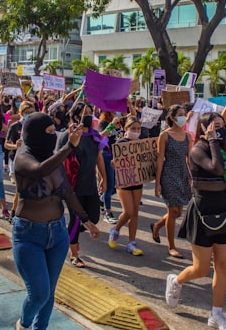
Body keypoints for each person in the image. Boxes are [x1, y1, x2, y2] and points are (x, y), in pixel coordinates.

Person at [12, 113, 99, 330]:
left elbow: (68, 193)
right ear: (33, 134)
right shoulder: (23, 158)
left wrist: (85, 220)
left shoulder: (55, 160)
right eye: (48, 133)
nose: (52, 136)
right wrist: (69, 146)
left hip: (57, 234)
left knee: (50, 291)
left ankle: (41, 327)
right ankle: (23, 325)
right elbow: (39, 171)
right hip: (28, 235)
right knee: (39, 293)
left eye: (54, 132)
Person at [165, 112, 226, 330]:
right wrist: (214, 141)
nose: (219, 130)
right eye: (214, 126)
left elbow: (225, 172)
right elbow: (216, 168)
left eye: (221, 126)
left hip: (223, 208)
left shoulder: (223, 148)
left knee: (223, 264)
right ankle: (176, 281)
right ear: (204, 128)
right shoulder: (197, 149)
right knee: (201, 268)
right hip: (202, 210)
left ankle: (217, 313)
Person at [57, 102, 107, 268]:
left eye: (90, 112)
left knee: (93, 217)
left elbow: (99, 157)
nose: (88, 115)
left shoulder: (95, 136)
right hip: (73, 185)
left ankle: (66, 236)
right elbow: (59, 157)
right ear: (76, 116)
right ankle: (74, 253)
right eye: (85, 112)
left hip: (90, 184)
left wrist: (103, 178)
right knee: (77, 219)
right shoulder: (68, 135)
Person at [152, 104, 192, 259]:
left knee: (179, 212)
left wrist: (191, 175)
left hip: (182, 174)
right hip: (169, 174)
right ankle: (171, 246)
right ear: (173, 117)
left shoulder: (187, 136)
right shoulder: (165, 135)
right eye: (181, 114)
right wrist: (158, 182)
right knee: (173, 211)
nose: (184, 117)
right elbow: (160, 159)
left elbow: (189, 158)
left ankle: (157, 226)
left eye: (185, 114)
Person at [108, 115, 145, 256]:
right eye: (133, 128)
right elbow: (115, 161)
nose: (136, 131)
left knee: (135, 212)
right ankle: (115, 229)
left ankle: (131, 242)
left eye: (138, 128)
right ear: (126, 129)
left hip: (137, 181)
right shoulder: (121, 143)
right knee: (128, 211)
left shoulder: (142, 144)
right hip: (124, 182)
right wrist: (114, 163)